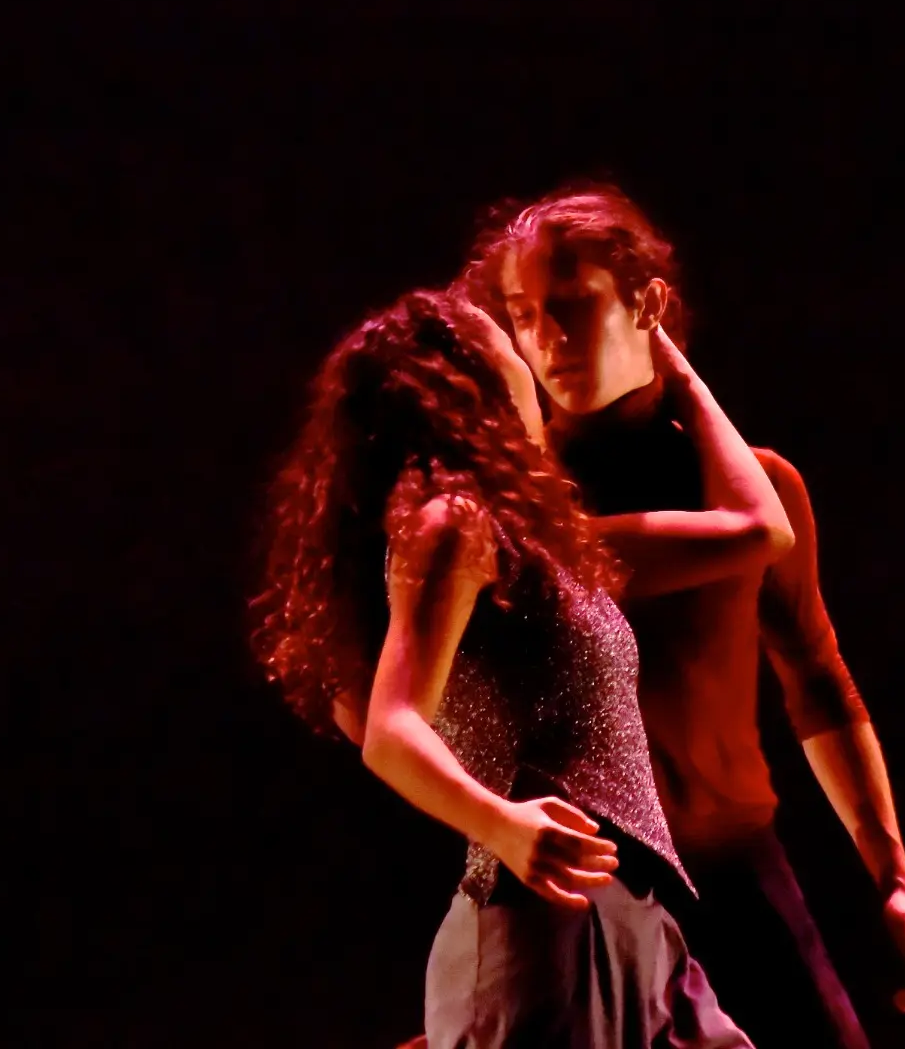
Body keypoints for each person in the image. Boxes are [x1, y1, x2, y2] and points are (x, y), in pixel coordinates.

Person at [463, 183, 905, 1049]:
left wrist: (895, 874)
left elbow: (818, 682)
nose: (545, 339)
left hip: (732, 865)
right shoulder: (507, 514)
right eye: (523, 315)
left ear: (646, 304)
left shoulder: (758, 484)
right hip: (581, 880)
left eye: (571, 307)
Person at [251, 283, 769, 1048]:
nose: (530, 357)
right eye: (507, 338)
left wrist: (678, 375)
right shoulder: (452, 521)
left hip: (631, 918)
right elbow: (388, 729)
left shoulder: (533, 541)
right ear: (478, 381)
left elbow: (760, 531)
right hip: (547, 920)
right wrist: (503, 824)